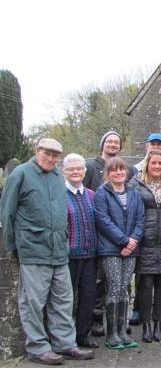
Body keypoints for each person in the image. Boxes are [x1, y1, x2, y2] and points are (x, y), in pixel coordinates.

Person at [0, 138, 94, 364]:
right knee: (33, 302)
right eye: (47, 153)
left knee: (63, 300)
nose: (51, 158)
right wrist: (13, 247)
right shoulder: (20, 174)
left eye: (55, 155)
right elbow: (7, 213)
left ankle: (65, 344)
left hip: (59, 251)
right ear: (37, 151)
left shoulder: (55, 177)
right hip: (33, 249)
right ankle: (38, 347)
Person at [83, 130, 135, 337]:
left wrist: (131, 238)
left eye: (116, 142)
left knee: (123, 283)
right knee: (99, 279)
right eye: (109, 141)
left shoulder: (128, 169)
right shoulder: (90, 167)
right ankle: (97, 319)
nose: (113, 144)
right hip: (100, 233)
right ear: (102, 144)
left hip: (125, 236)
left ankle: (120, 321)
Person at [94, 157, 144, 349]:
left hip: (131, 249)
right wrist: (124, 241)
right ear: (108, 173)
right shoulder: (102, 193)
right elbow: (103, 221)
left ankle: (122, 330)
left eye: (121, 169)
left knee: (124, 289)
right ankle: (112, 333)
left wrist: (133, 241)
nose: (118, 173)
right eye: (114, 170)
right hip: (110, 249)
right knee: (114, 288)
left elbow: (140, 219)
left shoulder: (134, 193)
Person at [130, 150, 161, 343]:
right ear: (147, 164)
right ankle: (146, 325)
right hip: (145, 242)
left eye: (160, 163)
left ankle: (158, 324)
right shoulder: (135, 185)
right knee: (145, 285)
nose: (157, 166)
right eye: (154, 163)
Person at [63, 154, 99, 349]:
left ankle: (82, 335)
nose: (76, 172)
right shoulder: (60, 194)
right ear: (64, 172)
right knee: (68, 299)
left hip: (90, 255)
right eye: (71, 169)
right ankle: (65, 338)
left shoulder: (91, 195)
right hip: (69, 256)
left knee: (88, 296)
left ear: (84, 172)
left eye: (79, 169)